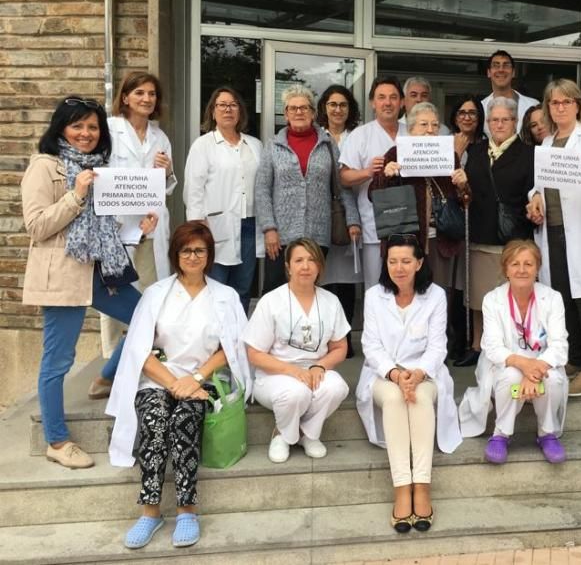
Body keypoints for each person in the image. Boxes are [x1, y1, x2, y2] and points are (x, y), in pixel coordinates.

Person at [107, 221, 251, 549]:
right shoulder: (156, 294)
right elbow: (139, 350)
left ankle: (187, 510)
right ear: (176, 254)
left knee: (185, 420)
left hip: (204, 379)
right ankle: (150, 512)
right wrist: (175, 383)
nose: (193, 256)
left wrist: (195, 379)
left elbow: (230, 349)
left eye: (199, 250)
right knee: (156, 423)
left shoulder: (225, 297)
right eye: (186, 250)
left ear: (209, 255)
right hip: (159, 378)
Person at [22, 96, 147, 468]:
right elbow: (37, 226)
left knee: (148, 318)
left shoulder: (100, 168)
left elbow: (106, 227)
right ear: (61, 128)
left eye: (93, 127)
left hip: (100, 271)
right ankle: (57, 442)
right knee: (58, 361)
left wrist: (141, 227)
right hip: (62, 276)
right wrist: (76, 194)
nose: (86, 133)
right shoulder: (45, 167)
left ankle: (106, 377)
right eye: (78, 125)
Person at [356, 234, 462, 533]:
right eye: (392, 261)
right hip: (383, 374)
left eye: (405, 261)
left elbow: (438, 347)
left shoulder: (436, 296)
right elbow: (371, 345)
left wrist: (417, 374)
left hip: (425, 373)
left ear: (419, 263)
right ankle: (402, 486)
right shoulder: (375, 296)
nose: (399, 268)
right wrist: (394, 374)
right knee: (393, 398)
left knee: (418, 398)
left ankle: (422, 485)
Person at [527, 79, 581, 398]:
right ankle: (572, 361)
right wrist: (534, 198)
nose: (560, 107)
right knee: (563, 299)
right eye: (554, 103)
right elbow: (540, 185)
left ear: (577, 105)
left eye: (566, 102)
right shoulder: (548, 142)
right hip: (552, 231)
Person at [458, 240, 569, 464]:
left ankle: (546, 433)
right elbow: (492, 346)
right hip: (505, 363)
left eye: (528, 264)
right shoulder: (493, 300)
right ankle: (501, 434)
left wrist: (533, 371)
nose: (521, 270)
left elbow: (559, 344)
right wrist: (524, 365)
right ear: (505, 269)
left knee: (553, 380)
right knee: (510, 376)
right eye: (515, 264)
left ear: (537, 268)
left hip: (542, 364)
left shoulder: (552, 298)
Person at [244, 238, 350, 462]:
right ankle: (282, 434)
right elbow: (254, 353)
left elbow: (340, 347)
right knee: (296, 392)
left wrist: (319, 366)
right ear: (287, 266)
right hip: (275, 374)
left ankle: (306, 433)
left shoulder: (331, 301)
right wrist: (293, 371)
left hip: (314, 370)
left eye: (312, 260)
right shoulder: (271, 301)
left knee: (337, 387)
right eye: (299, 260)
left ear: (320, 266)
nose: (305, 266)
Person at [98, 72, 176, 366]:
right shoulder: (109, 130)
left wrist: (166, 170)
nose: (147, 99)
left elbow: (167, 185)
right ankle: (110, 362)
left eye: (152, 94)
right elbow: (98, 175)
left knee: (149, 288)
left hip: (152, 227)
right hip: (118, 226)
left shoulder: (160, 136)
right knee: (113, 291)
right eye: (140, 93)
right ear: (126, 97)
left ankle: (142, 354)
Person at [255, 85, 361, 293]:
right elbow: (262, 189)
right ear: (285, 113)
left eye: (304, 108)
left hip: (318, 234)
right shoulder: (273, 146)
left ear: (313, 112)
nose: (298, 112)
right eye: (293, 108)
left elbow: (342, 187)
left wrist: (353, 221)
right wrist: (269, 229)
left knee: (312, 290)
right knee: (276, 293)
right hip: (280, 237)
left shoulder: (328, 144)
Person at [455, 96, 535, 368]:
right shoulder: (476, 152)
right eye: (494, 120)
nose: (499, 124)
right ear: (487, 123)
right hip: (480, 232)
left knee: (511, 298)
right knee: (479, 298)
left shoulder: (528, 154)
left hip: (513, 238)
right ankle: (478, 346)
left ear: (514, 122)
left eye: (505, 119)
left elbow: (533, 193)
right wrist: (463, 186)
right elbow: (465, 195)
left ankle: (509, 347)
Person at [370, 103, 468, 290]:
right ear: (411, 128)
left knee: (438, 294)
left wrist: (464, 186)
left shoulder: (450, 156)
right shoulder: (395, 153)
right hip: (406, 240)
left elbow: (465, 201)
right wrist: (385, 175)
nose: (430, 130)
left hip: (440, 239)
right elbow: (373, 195)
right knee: (405, 294)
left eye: (435, 125)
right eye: (424, 124)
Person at [184, 86, 263, 312]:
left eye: (233, 105)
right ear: (213, 111)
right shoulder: (203, 145)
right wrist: (197, 224)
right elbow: (193, 188)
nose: (228, 110)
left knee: (243, 287)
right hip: (214, 227)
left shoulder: (254, 145)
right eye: (222, 105)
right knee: (215, 286)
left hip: (249, 224)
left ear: (240, 111)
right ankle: (213, 341)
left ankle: (237, 339)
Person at [339, 76, 407, 291]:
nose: (387, 103)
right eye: (381, 97)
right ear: (372, 103)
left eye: (393, 97)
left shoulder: (412, 133)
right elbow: (344, 177)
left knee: (405, 286)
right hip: (374, 226)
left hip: (408, 224)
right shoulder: (361, 135)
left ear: (402, 102)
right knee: (376, 288)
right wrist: (369, 172)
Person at [317, 84, 363, 355]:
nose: (337, 109)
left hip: (352, 211)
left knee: (346, 281)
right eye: (332, 104)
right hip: (322, 216)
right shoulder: (317, 137)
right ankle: (324, 340)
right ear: (324, 107)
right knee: (323, 279)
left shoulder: (356, 136)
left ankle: (344, 341)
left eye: (343, 105)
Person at [481, 49, 539, 137]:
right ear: (489, 72)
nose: (501, 69)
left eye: (506, 65)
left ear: (513, 72)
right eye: (496, 66)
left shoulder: (533, 105)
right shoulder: (481, 108)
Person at [449, 95, 486, 164]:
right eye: (462, 113)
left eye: (472, 113)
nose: (467, 118)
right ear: (455, 119)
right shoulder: (445, 144)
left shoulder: (489, 146)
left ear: (479, 117)